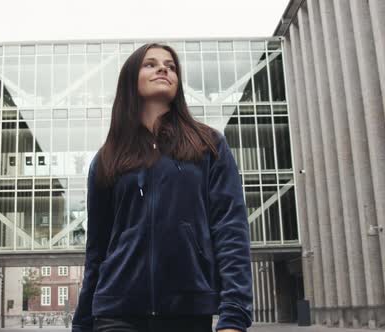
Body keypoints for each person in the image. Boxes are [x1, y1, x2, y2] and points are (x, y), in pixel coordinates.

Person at [71, 43, 252, 332]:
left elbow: (231, 230)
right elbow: (97, 251)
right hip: (116, 312)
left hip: (187, 310)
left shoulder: (208, 146)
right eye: (150, 63)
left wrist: (235, 315)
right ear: (132, 79)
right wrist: (81, 325)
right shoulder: (107, 159)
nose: (163, 69)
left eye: (170, 65)